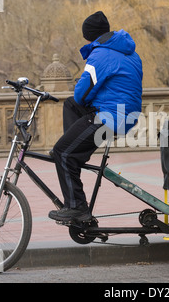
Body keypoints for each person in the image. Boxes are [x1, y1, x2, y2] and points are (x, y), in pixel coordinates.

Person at [49, 11, 143, 223]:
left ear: (89, 36)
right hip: (126, 114)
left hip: (111, 117)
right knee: (70, 106)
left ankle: (76, 207)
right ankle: (75, 152)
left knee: (62, 152)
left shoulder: (101, 54)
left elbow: (81, 93)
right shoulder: (129, 52)